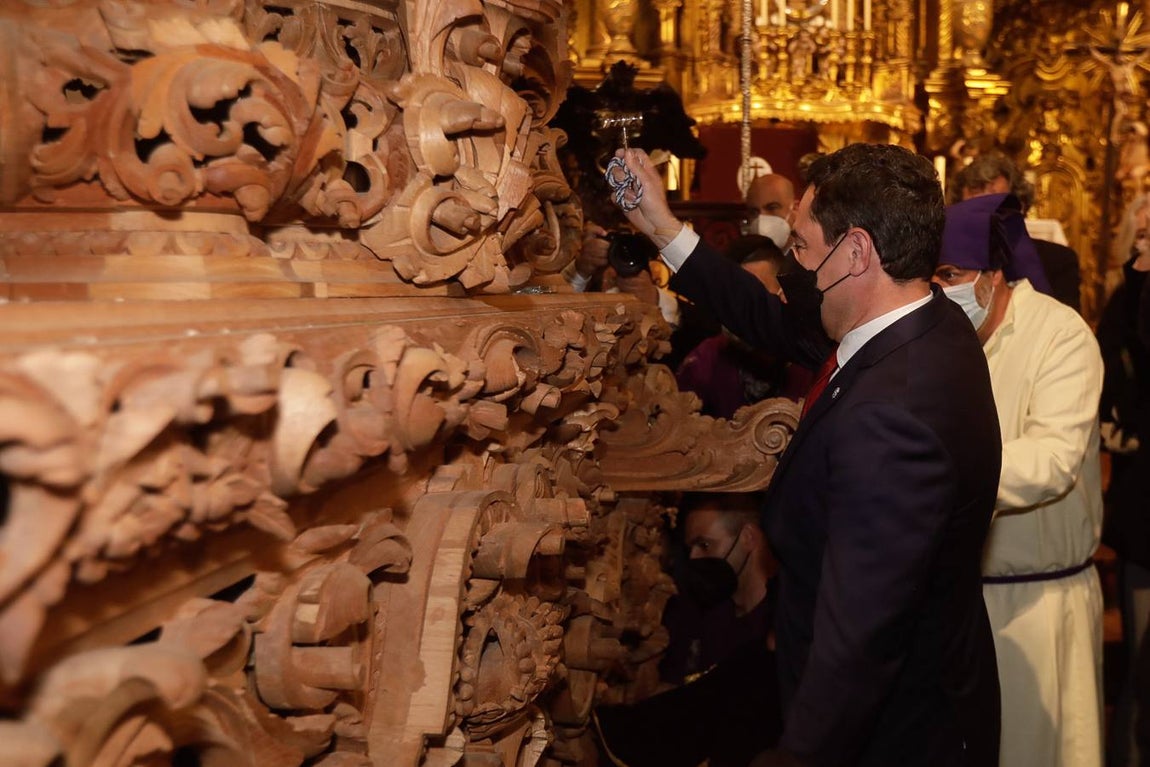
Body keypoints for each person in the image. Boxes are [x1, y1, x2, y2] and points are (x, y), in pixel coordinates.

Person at [614, 142, 1003, 767]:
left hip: (894, 733)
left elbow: (860, 632)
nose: (791, 262)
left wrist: (799, 754)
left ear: (855, 252)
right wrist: (661, 227)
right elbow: (765, 319)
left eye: (800, 245)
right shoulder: (921, 322)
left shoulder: (891, 419)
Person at [933, 192, 1105, 767]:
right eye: (930, 276)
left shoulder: (1061, 336)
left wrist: (936, 477)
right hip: (957, 603)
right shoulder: (941, 341)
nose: (940, 290)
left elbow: (1052, 461)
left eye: (950, 274)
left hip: (1037, 605)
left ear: (995, 273)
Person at [596, 491, 783, 767]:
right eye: (690, 549)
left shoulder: (779, 627)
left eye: (705, 545)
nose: (695, 558)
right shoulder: (692, 613)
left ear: (748, 538)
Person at [1098, 195, 1150, 767]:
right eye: (1139, 238)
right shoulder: (1125, 299)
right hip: (1142, 494)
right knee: (1141, 658)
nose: (1145, 249)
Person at [674, 237, 802, 418]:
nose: (739, 310)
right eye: (732, 297)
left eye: (755, 296)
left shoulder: (808, 358)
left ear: (783, 294)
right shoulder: (706, 359)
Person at [949, 151, 1080, 312]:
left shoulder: (1057, 261)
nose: (984, 220)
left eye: (994, 207)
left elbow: (1065, 326)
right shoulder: (947, 264)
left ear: (1020, 207)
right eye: (974, 209)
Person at [745, 173, 796, 249]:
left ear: (795, 209)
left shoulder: (814, 257)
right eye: (754, 212)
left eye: (772, 208)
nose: (761, 218)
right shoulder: (739, 259)